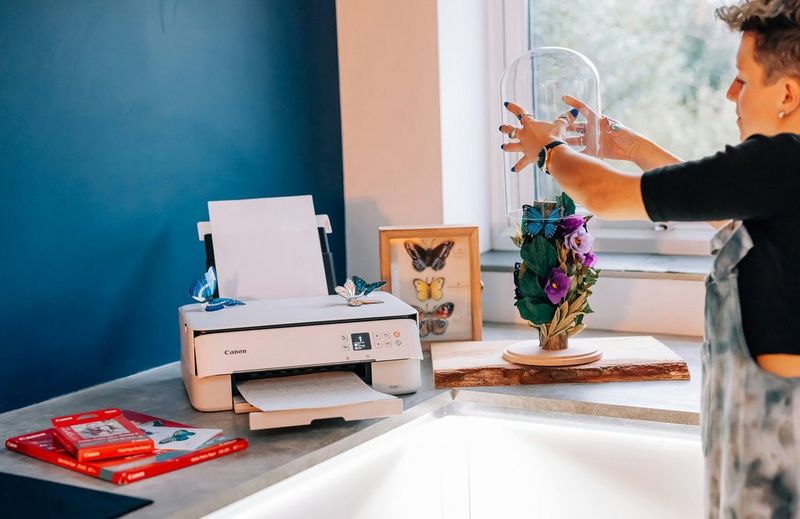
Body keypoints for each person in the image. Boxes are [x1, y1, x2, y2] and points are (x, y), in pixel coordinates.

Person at [500, 1, 800, 516]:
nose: (731, 93)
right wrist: (629, 145)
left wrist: (549, 148)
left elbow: (607, 196)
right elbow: (725, 215)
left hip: (781, 443)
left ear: (788, 93)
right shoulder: (782, 179)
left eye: (742, 80)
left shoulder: (781, 160)